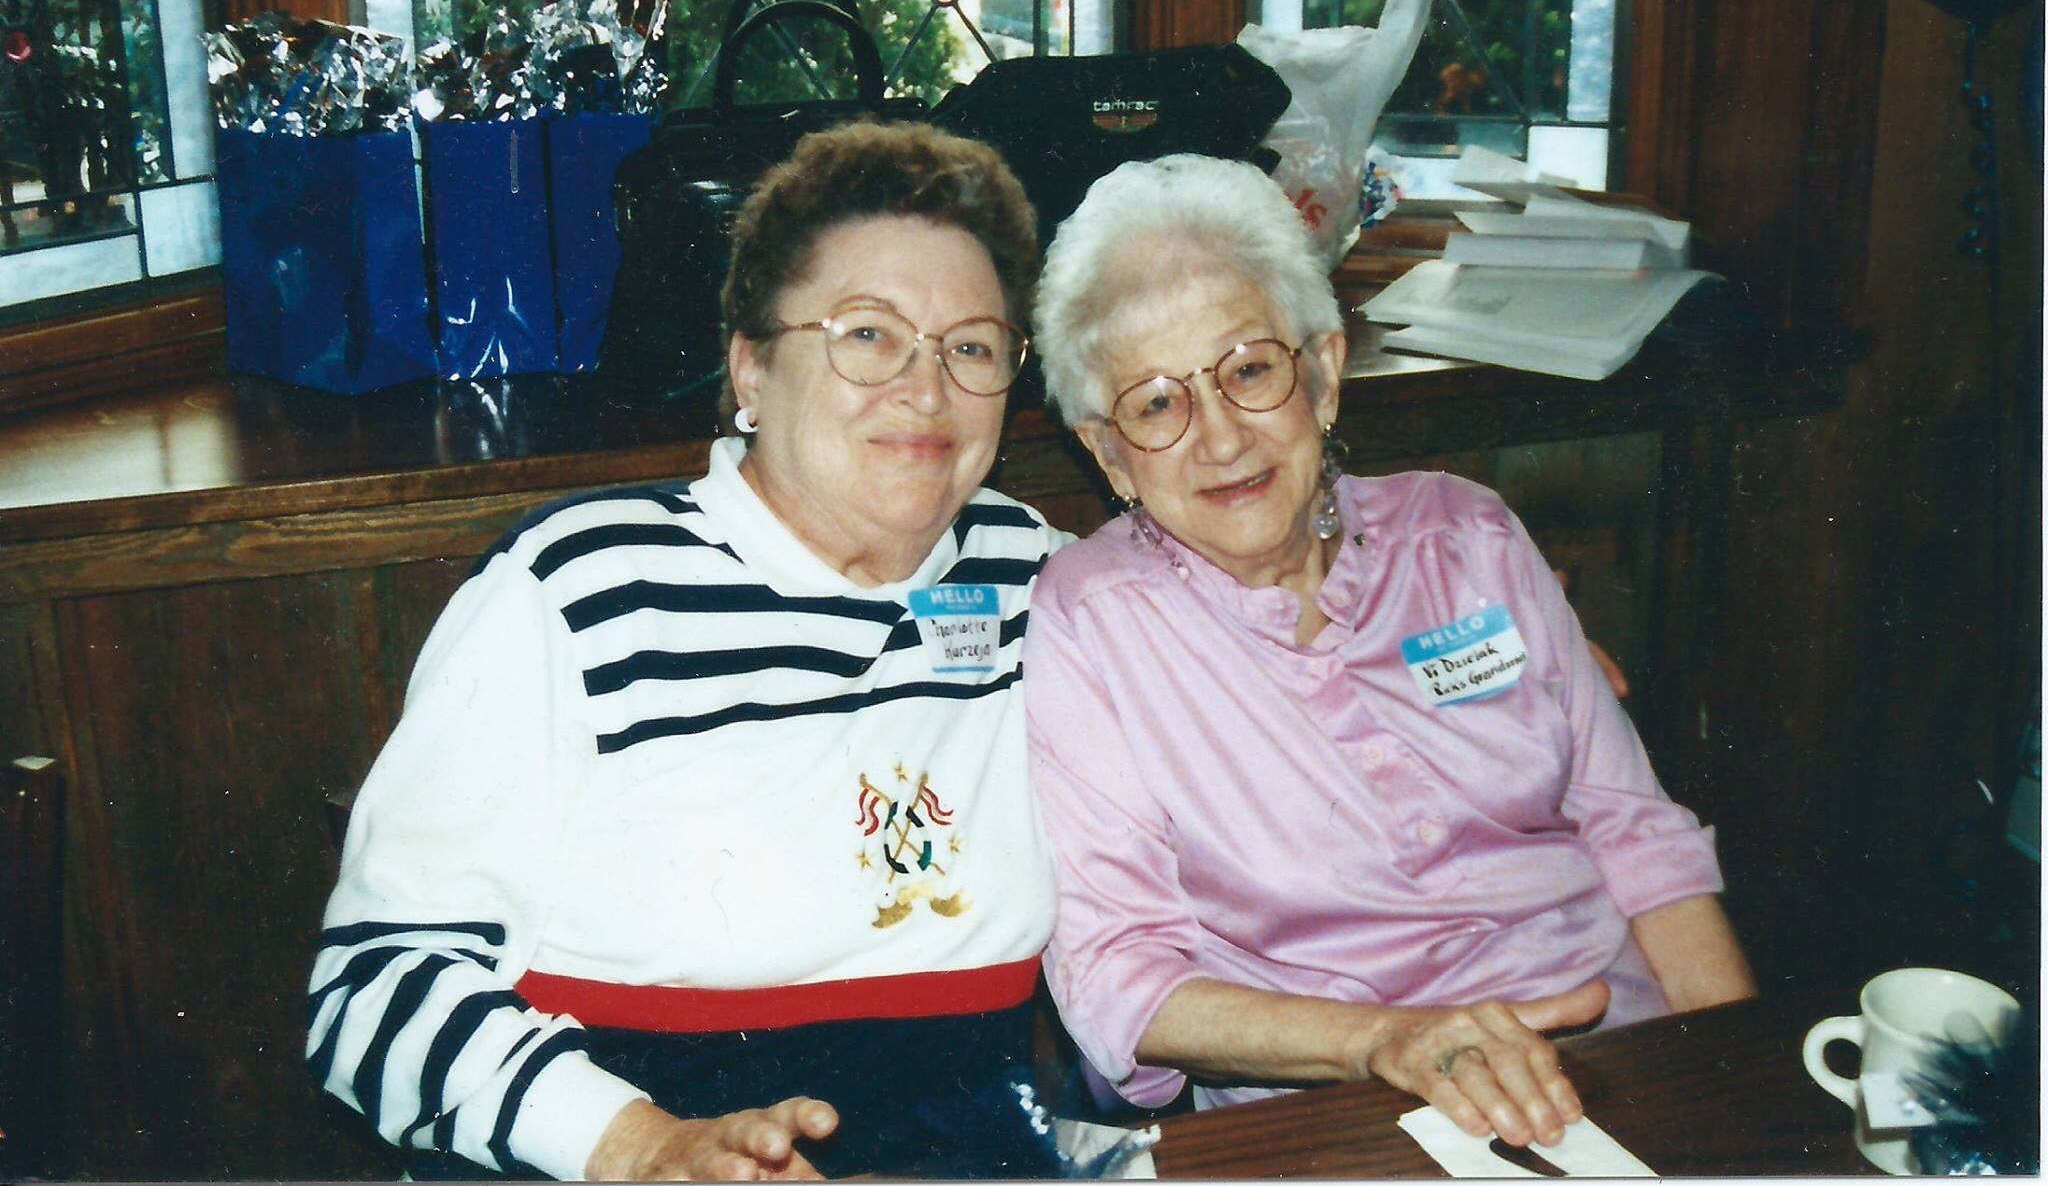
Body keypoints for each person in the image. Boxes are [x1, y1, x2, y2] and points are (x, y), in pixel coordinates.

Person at [308, 123, 1069, 1181]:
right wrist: (641, 1145)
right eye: (868, 334)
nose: (926, 388)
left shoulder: (1042, 579)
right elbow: (371, 995)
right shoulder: (580, 588)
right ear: (750, 368)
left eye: (972, 346)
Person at [1023, 154, 1758, 1150]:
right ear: (1109, 454)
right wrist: (1388, 1042)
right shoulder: (1092, 623)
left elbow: (1638, 836)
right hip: (1352, 1116)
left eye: (1249, 369)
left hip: (1616, 1056)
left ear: (1323, 374)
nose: (1220, 438)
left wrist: (1730, 1081)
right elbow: (1119, 978)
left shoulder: (1466, 533)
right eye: (1156, 403)